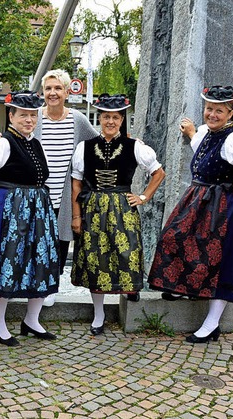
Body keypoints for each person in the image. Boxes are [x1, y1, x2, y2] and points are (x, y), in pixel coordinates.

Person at [148, 86, 233, 343]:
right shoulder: (206, 132)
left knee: (221, 260)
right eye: (209, 109)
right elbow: (200, 144)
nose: (212, 114)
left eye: (219, 110)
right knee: (173, 238)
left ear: (231, 112)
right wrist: (191, 131)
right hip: (198, 201)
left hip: (225, 206)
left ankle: (211, 323)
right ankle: (181, 285)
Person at [0, 70, 98, 307]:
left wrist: (130, 143)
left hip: (64, 194)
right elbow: (13, 139)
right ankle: (22, 282)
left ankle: (50, 284)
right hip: (34, 195)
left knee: (58, 242)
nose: (53, 93)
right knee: (26, 239)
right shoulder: (33, 116)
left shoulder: (77, 119)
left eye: (58, 88)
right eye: (48, 88)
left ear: (67, 92)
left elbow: (98, 142)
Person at [0, 90, 60, 346]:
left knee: (40, 265)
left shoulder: (34, 143)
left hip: (37, 214)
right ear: (11, 115)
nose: (29, 120)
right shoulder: (3, 144)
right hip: (12, 215)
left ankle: (32, 320)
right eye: (23, 115)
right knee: (6, 266)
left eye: (33, 115)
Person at [71, 94, 165, 335]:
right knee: (96, 260)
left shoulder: (135, 147)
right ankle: (99, 314)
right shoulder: (85, 148)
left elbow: (159, 173)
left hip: (123, 208)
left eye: (115, 117)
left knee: (128, 252)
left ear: (122, 120)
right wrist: (76, 216)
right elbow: (76, 184)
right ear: (99, 118)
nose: (110, 121)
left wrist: (143, 197)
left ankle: (130, 288)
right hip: (93, 209)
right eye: (105, 117)